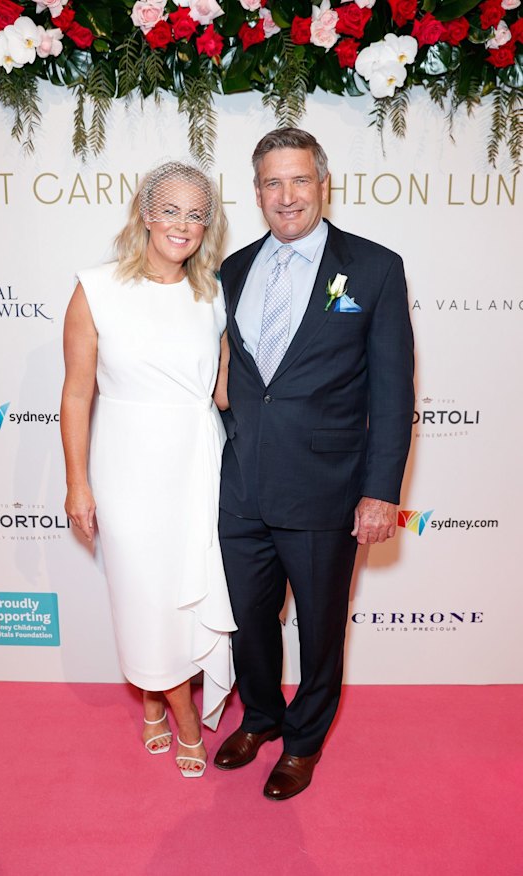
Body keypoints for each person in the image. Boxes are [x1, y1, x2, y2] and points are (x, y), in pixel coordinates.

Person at [214, 128, 414, 800]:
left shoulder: (374, 268)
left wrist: (380, 491)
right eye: (272, 182)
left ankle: (303, 742)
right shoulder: (233, 269)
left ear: (323, 184)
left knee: (321, 631)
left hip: (327, 490)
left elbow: (392, 393)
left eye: (299, 179)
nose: (287, 195)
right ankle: (261, 717)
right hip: (242, 487)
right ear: (256, 192)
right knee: (248, 623)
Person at [60, 161, 236, 779]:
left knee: (189, 596)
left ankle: (157, 707)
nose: (183, 225)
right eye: (170, 210)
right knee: (145, 597)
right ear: (144, 214)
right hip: (128, 466)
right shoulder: (96, 288)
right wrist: (76, 483)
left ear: (208, 226)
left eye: (197, 214)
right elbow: (76, 394)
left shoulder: (212, 294)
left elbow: (222, 391)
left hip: (198, 464)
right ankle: (183, 717)